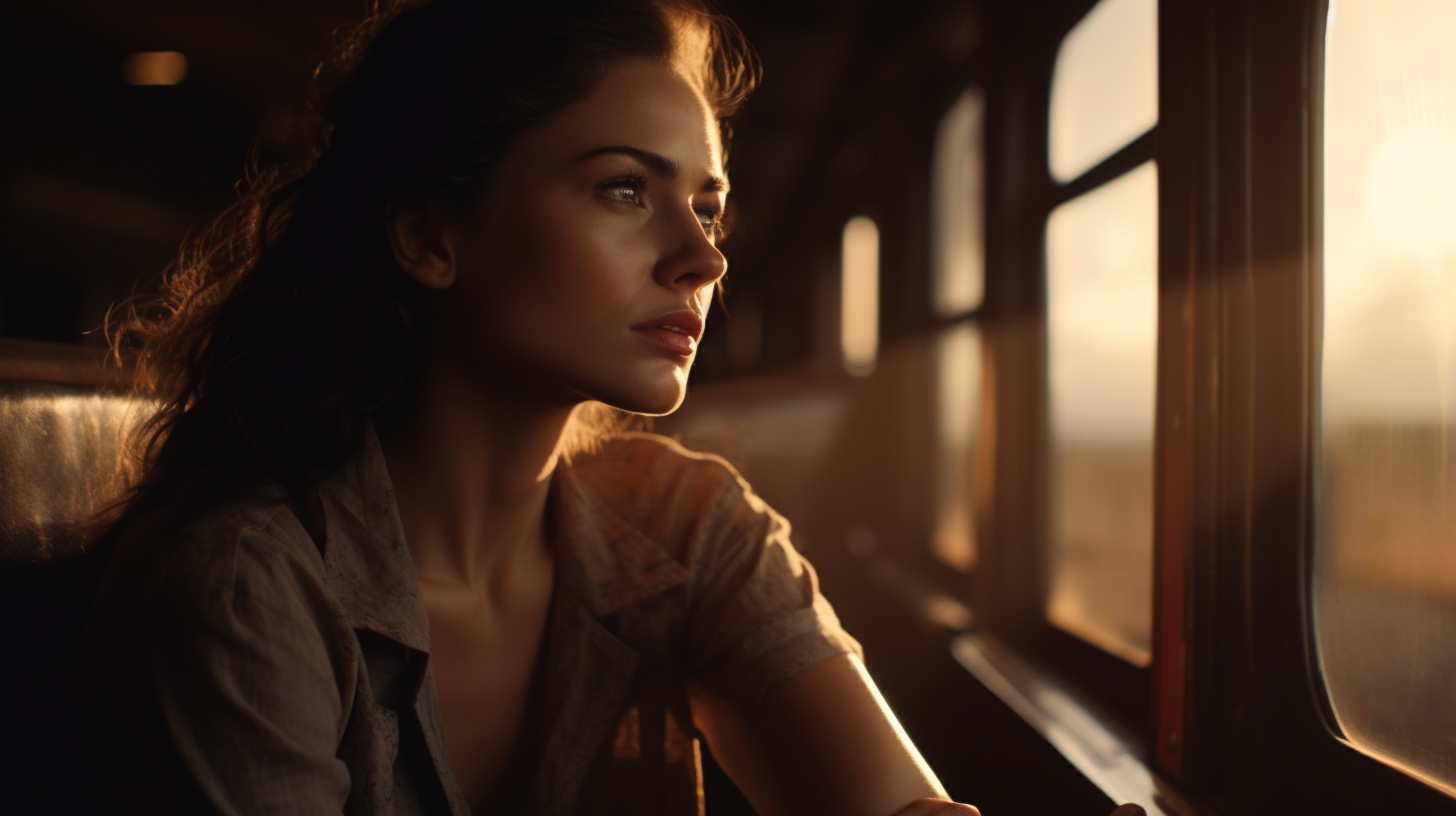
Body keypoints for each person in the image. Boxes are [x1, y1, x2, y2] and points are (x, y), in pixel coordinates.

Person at [73, 2, 1136, 815]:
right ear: (431, 238)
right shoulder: (247, 587)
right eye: (626, 190)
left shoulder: (684, 525)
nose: (703, 256)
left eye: (709, 205)